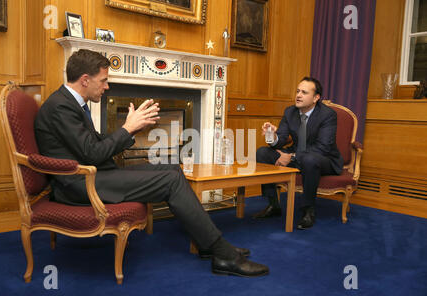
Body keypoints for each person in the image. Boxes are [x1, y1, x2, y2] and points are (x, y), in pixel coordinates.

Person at [34, 49, 269, 277]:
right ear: (85, 80)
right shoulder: (61, 106)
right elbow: (93, 153)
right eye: (104, 80)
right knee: (172, 179)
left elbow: (91, 146)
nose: (107, 86)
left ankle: (208, 243)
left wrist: (129, 129)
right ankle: (221, 252)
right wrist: (127, 128)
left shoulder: (70, 102)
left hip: (92, 175)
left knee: (172, 169)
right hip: (79, 184)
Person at [254, 77, 343, 230]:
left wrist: (291, 157)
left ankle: (308, 210)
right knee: (262, 153)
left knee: (309, 159)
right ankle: (273, 205)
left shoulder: (328, 115)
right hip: (297, 155)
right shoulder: (290, 112)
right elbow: (281, 139)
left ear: (316, 98)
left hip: (324, 159)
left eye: (304, 92)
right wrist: (271, 136)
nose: (298, 95)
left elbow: (322, 148)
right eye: (297, 91)